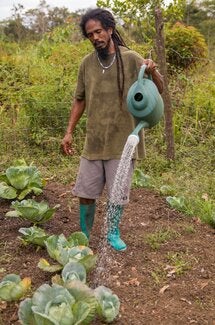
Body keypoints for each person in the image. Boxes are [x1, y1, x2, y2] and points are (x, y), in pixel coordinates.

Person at [61, 8, 163, 251]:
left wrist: (152, 70)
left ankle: (113, 233)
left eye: (98, 31)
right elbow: (79, 99)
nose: (95, 37)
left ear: (109, 29)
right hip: (94, 140)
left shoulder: (130, 58)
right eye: (90, 34)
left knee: (117, 194)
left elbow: (158, 88)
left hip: (123, 139)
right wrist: (68, 131)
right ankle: (84, 235)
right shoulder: (87, 64)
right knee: (85, 192)